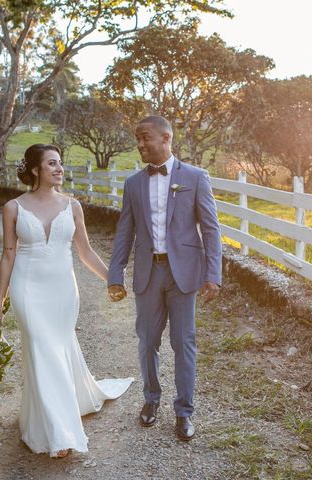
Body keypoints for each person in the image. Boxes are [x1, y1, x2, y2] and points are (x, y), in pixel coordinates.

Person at [0, 144, 133, 458]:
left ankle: (61, 408)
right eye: (52, 163)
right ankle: (59, 433)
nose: (60, 168)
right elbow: (8, 254)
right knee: (41, 351)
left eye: (61, 163)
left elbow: (85, 252)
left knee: (59, 347)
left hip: (64, 290)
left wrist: (113, 280)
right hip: (28, 288)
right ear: (36, 170)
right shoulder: (13, 208)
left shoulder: (72, 205)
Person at [107, 115, 222, 441]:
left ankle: (184, 412)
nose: (140, 144)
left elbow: (212, 230)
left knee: (184, 344)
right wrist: (116, 274)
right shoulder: (133, 184)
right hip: (148, 272)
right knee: (147, 341)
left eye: (145, 137)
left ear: (166, 137)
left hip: (185, 273)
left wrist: (213, 274)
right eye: (137, 139)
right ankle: (151, 400)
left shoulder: (196, 178)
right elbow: (124, 232)